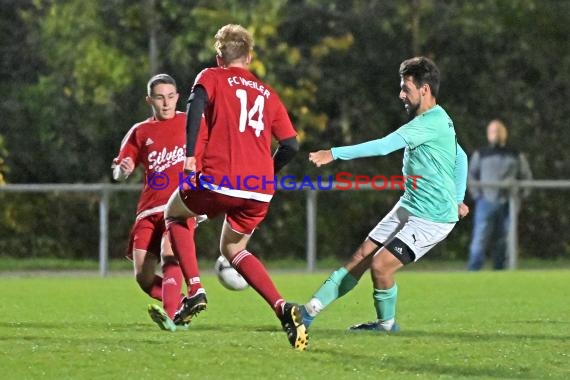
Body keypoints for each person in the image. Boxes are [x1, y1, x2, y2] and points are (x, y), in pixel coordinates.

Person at [164, 24, 307, 350]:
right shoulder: (268, 93)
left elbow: (196, 108)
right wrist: (267, 171)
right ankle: (282, 308)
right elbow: (291, 145)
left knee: (174, 214)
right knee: (234, 249)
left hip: (220, 178)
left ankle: (196, 288)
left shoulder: (212, 77)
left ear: (219, 57)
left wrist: (189, 156)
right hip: (258, 189)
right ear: (250, 57)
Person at [302, 57, 469, 332]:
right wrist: (460, 197)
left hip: (433, 217)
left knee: (380, 266)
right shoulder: (438, 120)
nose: (401, 94)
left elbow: (383, 147)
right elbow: (460, 156)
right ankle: (308, 312)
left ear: (424, 89)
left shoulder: (429, 123)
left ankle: (386, 325)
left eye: (406, 88)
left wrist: (334, 153)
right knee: (361, 256)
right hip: (411, 205)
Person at [112, 73, 207, 331]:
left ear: (178, 97)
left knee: (169, 252)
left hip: (180, 205)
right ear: (149, 100)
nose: (166, 103)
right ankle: (180, 304)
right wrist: (124, 168)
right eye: (159, 98)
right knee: (143, 276)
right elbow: (118, 171)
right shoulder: (140, 131)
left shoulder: (193, 124)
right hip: (148, 210)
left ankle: (170, 316)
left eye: (170, 97)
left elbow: (213, 154)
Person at [467, 119, 532, 271]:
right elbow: (471, 177)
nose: (495, 134)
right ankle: (473, 271)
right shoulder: (481, 154)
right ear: (488, 134)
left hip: (508, 203)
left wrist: (519, 197)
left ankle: (500, 272)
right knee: (480, 238)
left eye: (498, 131)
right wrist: (478, 196)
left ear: (504, 133)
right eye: (492, 131)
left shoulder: (515, 154)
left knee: (505, 239)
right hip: (485, 202)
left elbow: (526, 177)